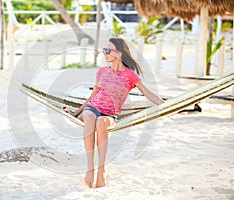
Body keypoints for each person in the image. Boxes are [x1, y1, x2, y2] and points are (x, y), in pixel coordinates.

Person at [64, 38, 165, 188]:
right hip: (92, 108)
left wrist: (166, 105)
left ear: (118, 54)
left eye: (107, 50)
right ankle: (90, 168)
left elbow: (147, 93)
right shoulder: (102, 72)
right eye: (104, 50)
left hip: (109, 115)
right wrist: (75, 112)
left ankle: (101, 170)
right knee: (91, 117)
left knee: (100, 123)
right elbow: (92, 97)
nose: (104, 53)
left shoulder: (130, 75)